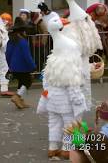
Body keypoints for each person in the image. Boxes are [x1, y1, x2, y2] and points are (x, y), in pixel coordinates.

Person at [38, 16, 87, 160]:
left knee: (53, 123)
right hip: (66, 103)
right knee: (70, 124)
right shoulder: (70, 67)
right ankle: (67, 149)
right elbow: (73, 87)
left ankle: (52, 148)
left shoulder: (51, 62)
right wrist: (78, 102)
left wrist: (46, 96)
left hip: (53, 101)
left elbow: (45, 83)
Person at [6, 17, 36, 109]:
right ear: (22, 31)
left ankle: (20, 101)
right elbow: (27, 56)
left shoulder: (10, 41)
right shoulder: (23, 42)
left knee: (21, 82)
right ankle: (17, 97)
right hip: (23, 67)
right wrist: (33, 66)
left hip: (13, 67)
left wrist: (10, 66)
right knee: (28, 81)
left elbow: (7, 55)